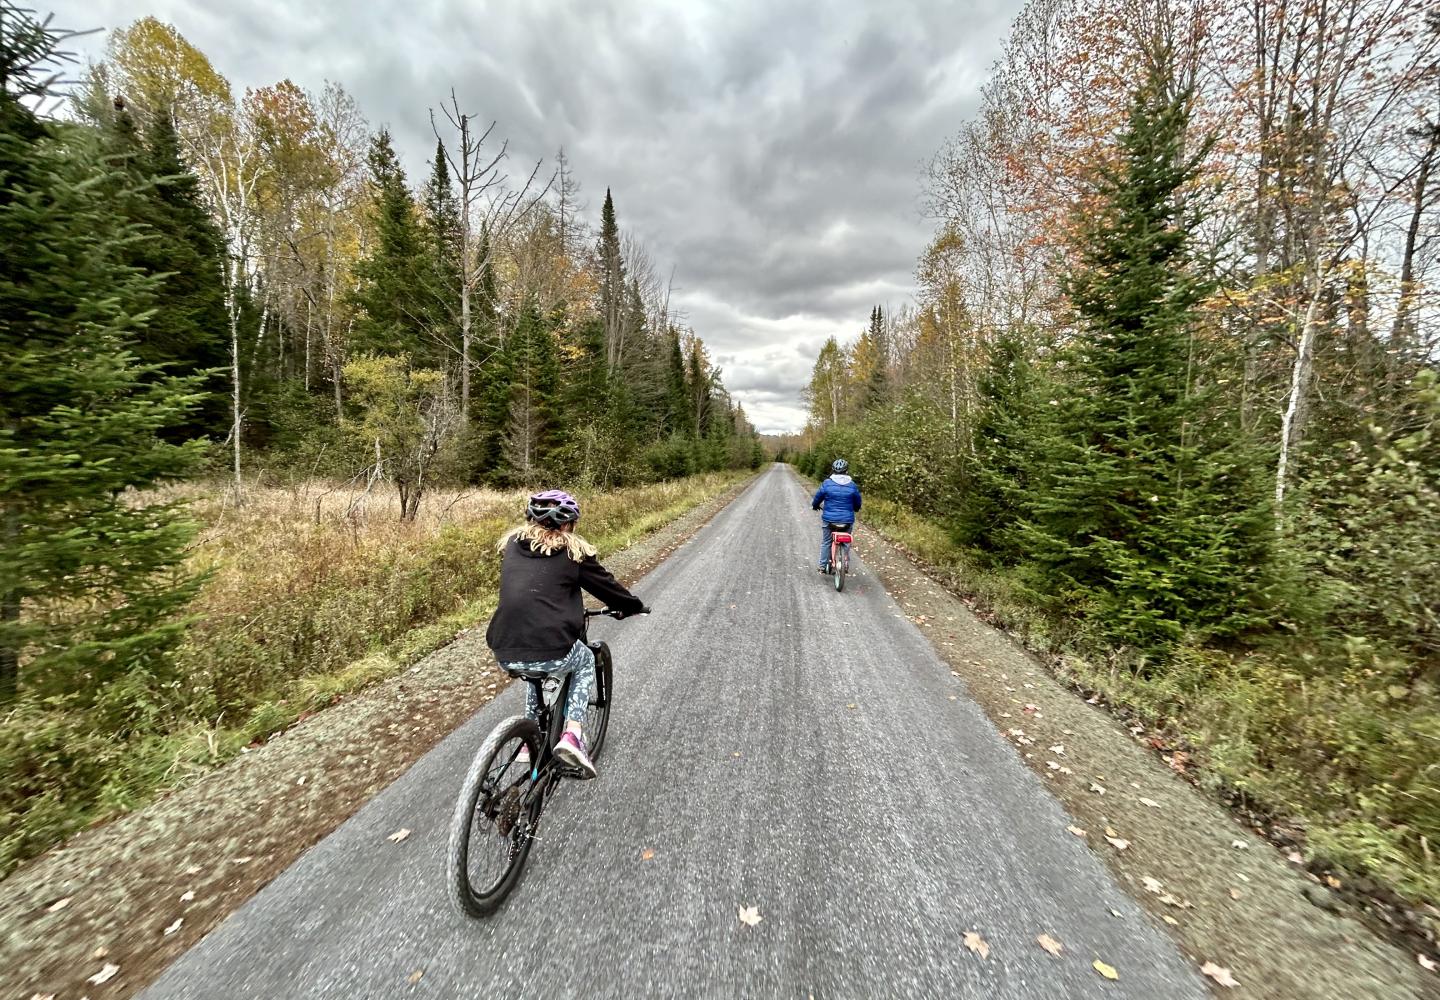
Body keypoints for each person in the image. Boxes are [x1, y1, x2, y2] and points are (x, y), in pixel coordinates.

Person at [486, 489, 647, 779]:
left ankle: (528, 741)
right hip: (552, 647)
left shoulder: (512, 544)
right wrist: (631, 606)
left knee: (534, 667)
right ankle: (572, 735)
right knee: (584, 660)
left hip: (504, 647)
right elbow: (607, 588)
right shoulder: (572, 552)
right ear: (567, 524)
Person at [812, 459, 862, 571]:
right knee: (846, 543)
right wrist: (856, 508)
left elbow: (818, 498)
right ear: (847, 471)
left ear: (833, 471)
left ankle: (822, 565)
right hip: (847, 520)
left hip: (829, 519)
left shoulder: (827, 483)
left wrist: (815, 505)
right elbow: (858, 501)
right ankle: (845, 564)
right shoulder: (852, 485)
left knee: (827, 541)